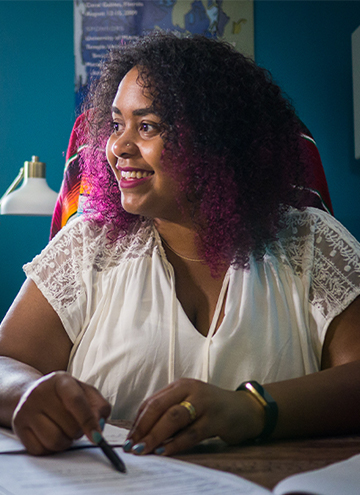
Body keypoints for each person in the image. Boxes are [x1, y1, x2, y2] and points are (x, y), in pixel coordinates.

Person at [1, 31, 360, 458]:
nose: (117, 147)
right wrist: (28, 389)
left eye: (147, 126)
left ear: (216, 142)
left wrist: (253, 407)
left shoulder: (310, 242)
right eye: (116, 125)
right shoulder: (88, 245)